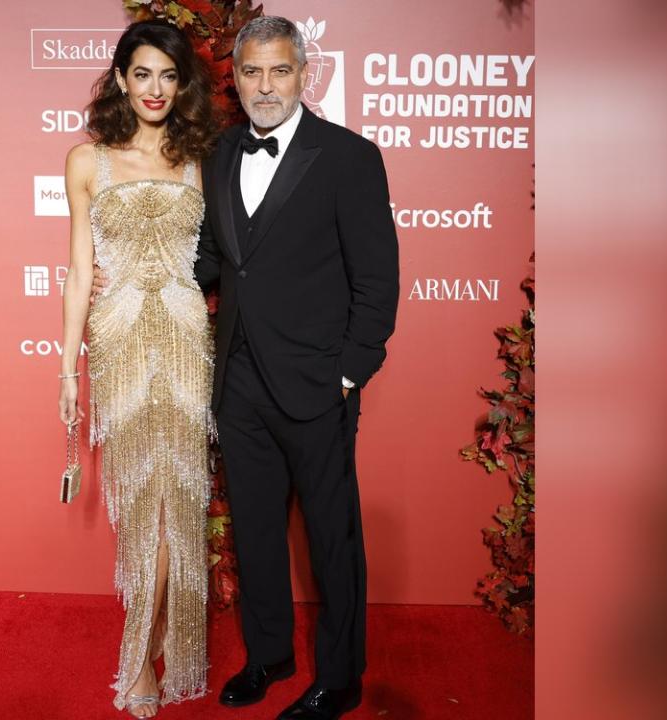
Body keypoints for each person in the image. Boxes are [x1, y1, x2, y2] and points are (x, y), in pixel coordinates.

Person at [193, 16, 400, 720]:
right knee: (254, 531)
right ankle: (270, 655)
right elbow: (219, 261)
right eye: (251, 72)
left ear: (304, 74)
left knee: (332, 541)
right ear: (237, 78)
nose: (265, 85)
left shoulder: (348, 157)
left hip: (318, 386)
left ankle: (341, 679)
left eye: (279, 70)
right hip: (241, 383)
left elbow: (377, 279)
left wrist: (350, 372)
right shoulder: (222, 153)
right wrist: (147, 276)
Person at [57, 19, 218, 718]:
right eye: (142, 73)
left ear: (181, 86)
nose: (155, 88)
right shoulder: (86, 161)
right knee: (139, 499)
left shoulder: (198, 158)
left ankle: (146, 654)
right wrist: (67, 369)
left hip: (184, 337)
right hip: (119, 339)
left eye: (168, 75)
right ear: (121, 78)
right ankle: (145, 644)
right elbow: (78, 271)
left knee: (176, 498)